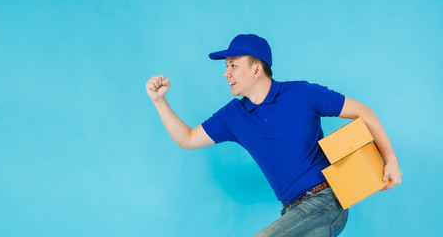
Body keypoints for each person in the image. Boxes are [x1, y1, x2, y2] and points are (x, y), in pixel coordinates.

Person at [145, 34, 402, 236]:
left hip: (326, 202)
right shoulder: (233, 116)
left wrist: (390, 160)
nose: (226, 73)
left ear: (257, 70)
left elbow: (363, 112)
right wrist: (159, 102)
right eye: (226, 66)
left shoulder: (303, 94)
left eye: (233, 65)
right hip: (291, 211)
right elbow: (187, 138)